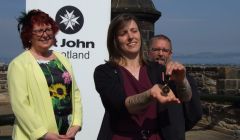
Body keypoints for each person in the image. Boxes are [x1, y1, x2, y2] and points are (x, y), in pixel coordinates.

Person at [93, 14, 192, 140]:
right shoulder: (105, 72)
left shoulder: (156, 69)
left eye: (134, 31)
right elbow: (121, 105)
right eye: (123, 33)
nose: (131, 37)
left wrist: (181, 81)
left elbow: (185, 97)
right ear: (115, 40)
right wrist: (150, 94)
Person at [7, 9, 82, 140]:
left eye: (48, 29)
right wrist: (43, 134)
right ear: (29, 35)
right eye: (39, 31)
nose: (45, 34)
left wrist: (76, 123)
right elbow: (20, 105)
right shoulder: (18, 64)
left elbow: (74, 93)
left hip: (65, 135)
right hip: (36, 136)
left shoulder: (62, 59)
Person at [148, 34, 203, 140]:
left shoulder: (184, 77)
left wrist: (177, 128)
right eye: (156, 49)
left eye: (165, 50)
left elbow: (195, 112)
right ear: (148, 52)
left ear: (170, 53)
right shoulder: (139, 76)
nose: (160, 53)